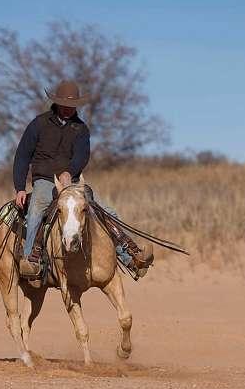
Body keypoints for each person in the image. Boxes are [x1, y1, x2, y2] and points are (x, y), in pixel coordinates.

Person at [13, 80, 153, 278]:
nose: (69, 109)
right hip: (44, 180)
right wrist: (20, 187)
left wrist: (70, 171)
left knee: (107, 211)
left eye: (73, 105)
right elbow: (22, 156)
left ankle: (131, 257)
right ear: (57, 103)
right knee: (36, 209)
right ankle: (31, 261)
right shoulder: (39, 124)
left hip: (73, 182)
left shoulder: (81, 129)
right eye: (66, 104)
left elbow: (81, 155)